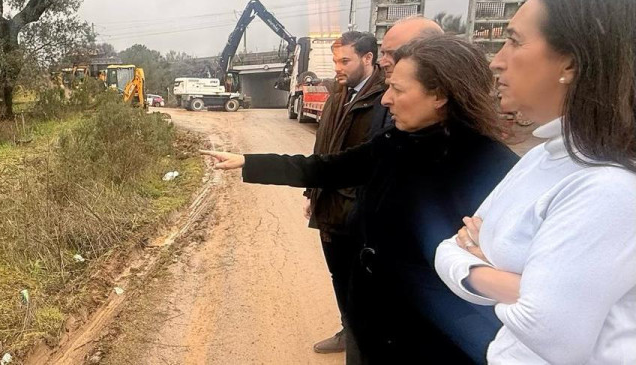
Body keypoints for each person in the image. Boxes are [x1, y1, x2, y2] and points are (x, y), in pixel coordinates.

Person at [204, 35, 518, 363]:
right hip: (370, 321)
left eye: (398, 89)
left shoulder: (496, 169)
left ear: (439, 94)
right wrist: (248, 162)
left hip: (428, 340)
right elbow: (326, 168)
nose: (386, 100)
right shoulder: (396, 142)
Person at [435, 0, 636, 364]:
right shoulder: (548, 155)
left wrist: (482, 257)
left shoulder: (609, 188)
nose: (496, 62)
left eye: (513, 42)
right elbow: (448, 249)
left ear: (572, 65)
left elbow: (549, 330)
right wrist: (520, 281)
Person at [307, 31, 386, 356]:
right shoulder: (337, 94)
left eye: (345, 60)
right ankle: (347, 332)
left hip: (358, 211)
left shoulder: (384, 98)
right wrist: (311, 194)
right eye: (336, 61)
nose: (338, 67)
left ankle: (362, 344)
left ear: (368, 58)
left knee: (362, 282)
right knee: (338, 273)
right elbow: (322, 147)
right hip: (329, 205)